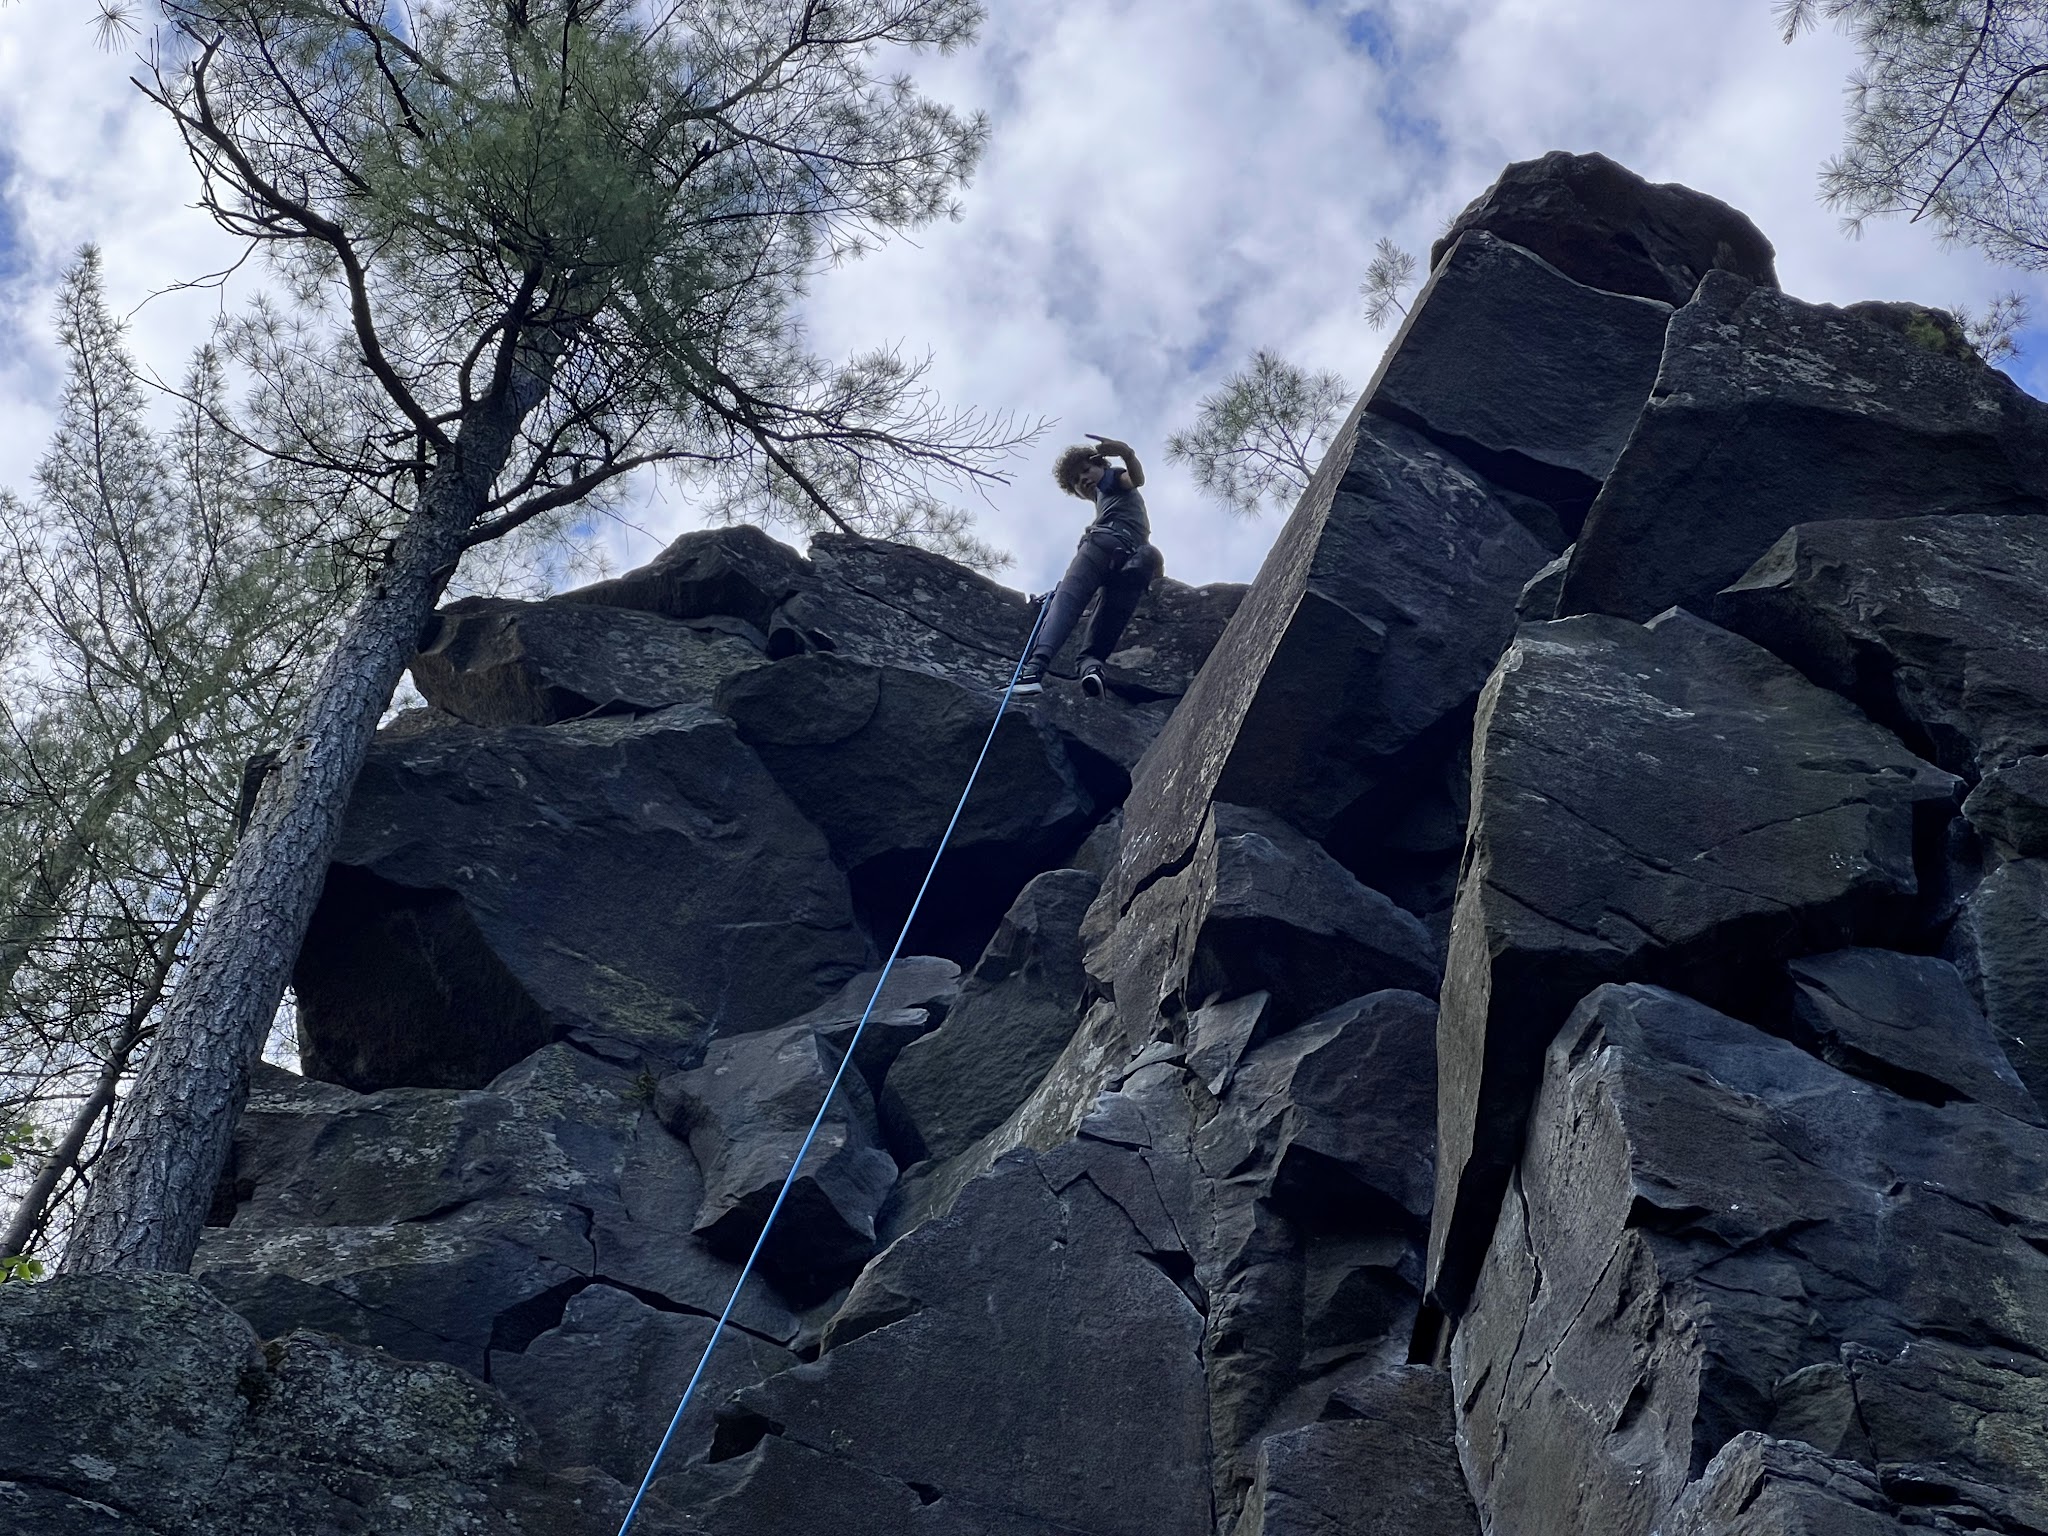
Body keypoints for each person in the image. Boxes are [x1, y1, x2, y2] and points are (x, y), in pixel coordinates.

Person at [1014, 433, 1165, 697]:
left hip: (1102, 546)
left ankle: (1034, 670)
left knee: (1067, 599)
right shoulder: (1108, 500)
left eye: (1086, 470)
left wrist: (1127, 454)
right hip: (1132, 559)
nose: (1082, 479)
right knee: (1109, 614)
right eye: (1075, 480)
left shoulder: (1110, 481)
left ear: (1101, 465)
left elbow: (1135, 479)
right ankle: (1091, 667)